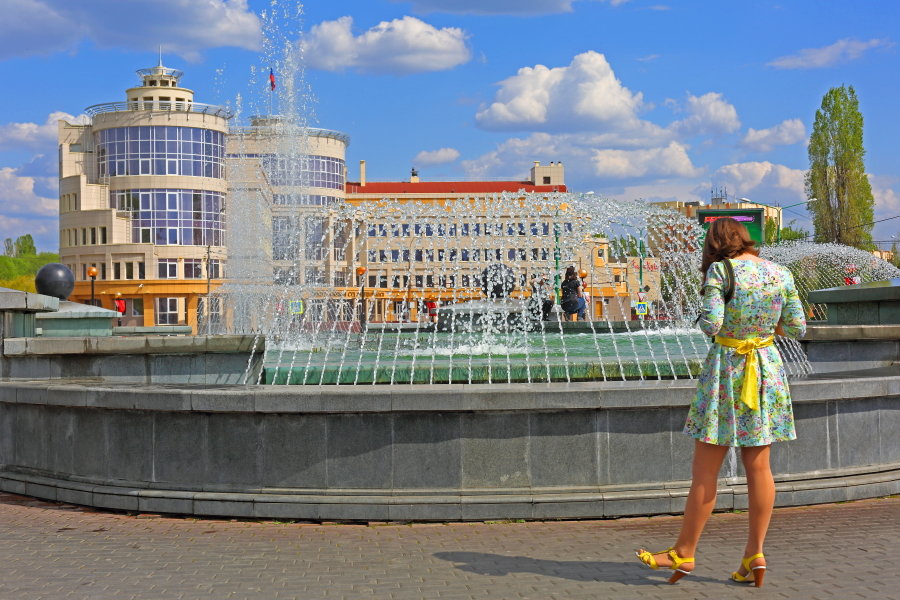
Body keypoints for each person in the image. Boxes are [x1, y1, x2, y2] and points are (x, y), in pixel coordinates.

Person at [635, 217, 806, 586]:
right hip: (765, 370)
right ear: (745, 238)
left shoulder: (720, 271)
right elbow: (797, 329)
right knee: (760, 468)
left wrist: (717, 317)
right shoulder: (780, 272)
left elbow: (711, 324)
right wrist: (763, 326)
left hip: (728, 370)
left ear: (714, 243)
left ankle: (684, 551)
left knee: (706, 469)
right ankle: (754, 553)